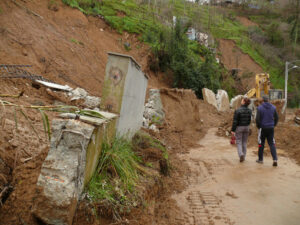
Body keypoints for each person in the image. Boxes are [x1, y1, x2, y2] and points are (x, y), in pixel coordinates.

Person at [256, 95, 279, 167]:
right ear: (268, 100)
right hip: (271, 128)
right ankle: (275, 159)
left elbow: (257, 119)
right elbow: (277, 118)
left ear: (262, 100)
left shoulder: (260, 108)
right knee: (272, 143)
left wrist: (259, 126)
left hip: (263, 128)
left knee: (261, 143)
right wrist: (274, 125)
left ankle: (260, 159)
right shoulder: (273, 107)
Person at [231, 97, 252, 162]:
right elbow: (249, 120)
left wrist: (233, 130)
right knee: (244, 142)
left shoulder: (238, 110)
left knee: (239, 142)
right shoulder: (249, 111)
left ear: (243, 102)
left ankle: (241, 155)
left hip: (239, 127)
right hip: (247, 127)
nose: (241, 101)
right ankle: (244, 156)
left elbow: (235, 121)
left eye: (242, 100)